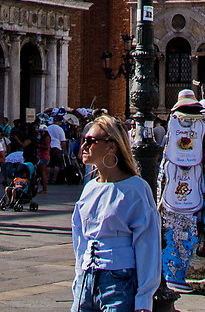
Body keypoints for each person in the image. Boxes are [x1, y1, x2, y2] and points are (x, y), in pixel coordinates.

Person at [70, 117, 160, 312]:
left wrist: (144, 298)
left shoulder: (136, 188)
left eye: (91, 141)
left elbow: (147, 243)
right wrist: (79, 279)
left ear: (112, 146)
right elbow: (79, 239)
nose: (84, 145)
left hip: (119, 279)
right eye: (84, 139)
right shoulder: (89, 188)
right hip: (87, 278)